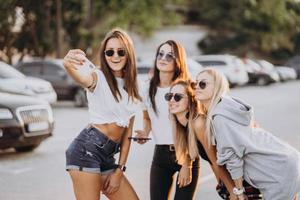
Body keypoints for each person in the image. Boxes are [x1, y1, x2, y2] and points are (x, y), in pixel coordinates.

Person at [194, 68, 300, 200]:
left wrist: (238, 190)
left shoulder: (220, 117)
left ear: (216, 86)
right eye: (195, 83)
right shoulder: (228, 105)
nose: (197, 87)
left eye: (202, 84)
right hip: (287, 158)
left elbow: (232, 157)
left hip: (277, 171)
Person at [63, 28, 140, 200]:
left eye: (121, 51)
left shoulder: (133, 88)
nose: (115, 56)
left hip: (108, 155)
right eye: (109, 52)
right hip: (86, 151)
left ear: (129, 54)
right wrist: (67, 64)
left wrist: (120, 169)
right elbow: (83, 79)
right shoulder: (98, 77)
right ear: (104, 54)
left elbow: (127, 135)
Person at [135, 40, 200, 200]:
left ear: (178, 61)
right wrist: (145, 131)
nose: (162, 58)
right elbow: (147, 117)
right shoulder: (146, 88)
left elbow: (192, 128)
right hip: (161, 155)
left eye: (169, 56)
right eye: (160, 54)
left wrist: (187, 163)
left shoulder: (186, 88)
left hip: (186, 153)